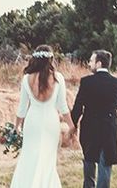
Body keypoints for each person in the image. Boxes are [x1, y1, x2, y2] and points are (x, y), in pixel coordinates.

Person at [10, 44, 76, 188]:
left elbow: (22, 108)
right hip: (51, 123)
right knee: (47, 157)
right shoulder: (58, 78)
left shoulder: (27, 78)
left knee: (29, 155)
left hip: (33, 121)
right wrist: (71, 125)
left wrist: (17, 126)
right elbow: (62, 106)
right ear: (51, 59)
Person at [70, 50, 117, 188]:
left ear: (99, 63)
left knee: (89, 159)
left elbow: (78, 106)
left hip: (90, 125)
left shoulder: (86, 82)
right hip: (109, 126)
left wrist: (73, 125)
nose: (89, 63)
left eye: (91, 61)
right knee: (105, 161)